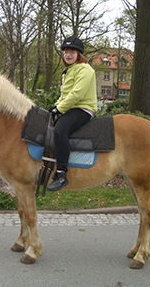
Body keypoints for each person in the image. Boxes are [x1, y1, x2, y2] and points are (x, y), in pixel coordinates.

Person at [47, 36, 97, 192]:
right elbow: (65, 95)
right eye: (65, 52)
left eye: (72, 52)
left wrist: (59, 109)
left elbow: (77, 94)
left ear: (79, 54)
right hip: (71, 107)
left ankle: (61, 174)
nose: (68, 55)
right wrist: (55, 106)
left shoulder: (85, 69)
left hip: (82, 108)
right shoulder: (68, 70)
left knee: (60, 131)